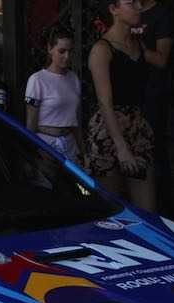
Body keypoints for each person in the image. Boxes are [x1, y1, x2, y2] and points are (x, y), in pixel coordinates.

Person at [87, 0, 156, 210]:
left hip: (137, 125)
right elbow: (105, 102)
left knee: (146, 209)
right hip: (109, 129)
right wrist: (121, 148)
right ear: (114, 9)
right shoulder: (102, 49)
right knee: (108, 209)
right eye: (130, 3)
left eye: (138, 3)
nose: (138, 7)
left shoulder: (138, 44)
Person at [25, 25, 85, 164]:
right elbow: (31, 123)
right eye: (62, 51)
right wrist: (32, 153)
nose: (67, 56)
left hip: (70, 145)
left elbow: (76, 119)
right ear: (50, 49)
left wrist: (83, 150)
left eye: (70, 51)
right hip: (46, 145)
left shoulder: (73, 78)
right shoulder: (37, 79)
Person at [139, 0, 174, 200]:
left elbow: (161, 60)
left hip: (152, 93)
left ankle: (161, 203)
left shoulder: (161, 14)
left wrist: (138, 48)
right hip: (128, 92)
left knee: (153, 149)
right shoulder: (128, 10)